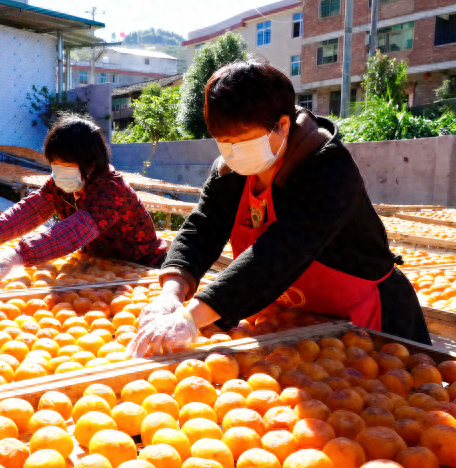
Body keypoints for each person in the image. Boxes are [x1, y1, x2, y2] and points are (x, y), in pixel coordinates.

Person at [127, 60, 429, 358]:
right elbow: (201, 229)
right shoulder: (230, 172)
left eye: (244, 141)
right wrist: (172, 293)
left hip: (366, 320)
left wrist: (191, 318)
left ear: (283, 125)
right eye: (224, 142)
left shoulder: (328, 169)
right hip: (292, 322)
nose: (233, 153)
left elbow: (281, 251)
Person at [0, 114, 168, 288]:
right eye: (55, 164)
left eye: (66, 165)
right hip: (96, 266)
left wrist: (18, 255)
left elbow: (74, 231)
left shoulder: (111, 192)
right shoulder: (63, 183)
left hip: (140, 268)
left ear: (90, 164)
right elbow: (34, 207)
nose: (59, 172)